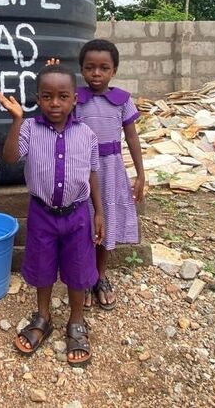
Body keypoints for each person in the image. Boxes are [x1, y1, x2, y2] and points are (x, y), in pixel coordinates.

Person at [0, 63, 104, 367]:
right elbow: (10, 157)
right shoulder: (30, 128)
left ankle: (76, 321)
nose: (55, 103)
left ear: (74, 99)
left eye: (62, 96)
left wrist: (99, 212)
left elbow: (92, 174)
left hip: (78, 215)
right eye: (47, 97)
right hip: (42, 214)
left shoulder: (87, 134)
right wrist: (16, 120)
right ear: (38, 99)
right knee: (42, 268)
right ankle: (43, 317)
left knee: (78, 270)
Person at [74, 39, 145, 310]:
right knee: (84, 223)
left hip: (111, 171)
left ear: (114, 70)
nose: (96, 73)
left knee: (106, 222)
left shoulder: (122, 100)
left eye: (104, 68)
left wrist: (140, 174)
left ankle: (100, 276)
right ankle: (85, 276)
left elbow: (132, 137)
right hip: (81, 169)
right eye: (90, 67)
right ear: (81, 69)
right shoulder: (75, 99)